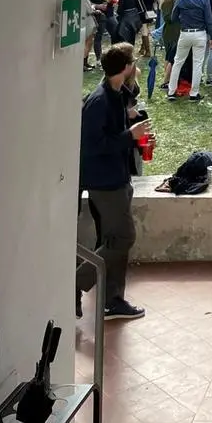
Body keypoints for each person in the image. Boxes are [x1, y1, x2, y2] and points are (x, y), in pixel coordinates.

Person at [78, 43, 154, 320]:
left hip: (117, 176)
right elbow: (92, 144)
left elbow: (124, 107)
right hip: (105, 182)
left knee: (113, 239)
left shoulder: (115, 93)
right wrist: (129, 135)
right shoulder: (99, 101)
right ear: (126, 67)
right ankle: (74, 284)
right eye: (133, 62)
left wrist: (131, 124)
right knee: (123, 237)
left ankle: (113, 300)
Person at [167, 0, 212, 102]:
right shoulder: (204, 0)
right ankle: (194, 93)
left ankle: (171, 91)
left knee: (178, 62)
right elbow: (209, 20)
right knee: (197, 63)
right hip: (199, 33)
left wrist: (183, 21)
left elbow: (173, 18)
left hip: (185, 32)